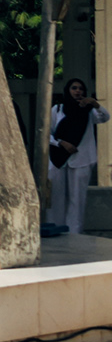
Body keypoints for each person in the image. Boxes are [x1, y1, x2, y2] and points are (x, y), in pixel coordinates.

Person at [46, 75, 109, 237]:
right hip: (58, 159)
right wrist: (61, 143)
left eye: (80, 88)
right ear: (68, 90)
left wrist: (95, 104)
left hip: (82, 159)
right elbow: (47, 133)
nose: (77, 91)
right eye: (74, 88)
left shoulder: (89, 112)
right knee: (56, 198)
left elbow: (105, 117)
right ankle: (56, 229)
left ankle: (75, 233)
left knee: (77, 199)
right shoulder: (57, 109)